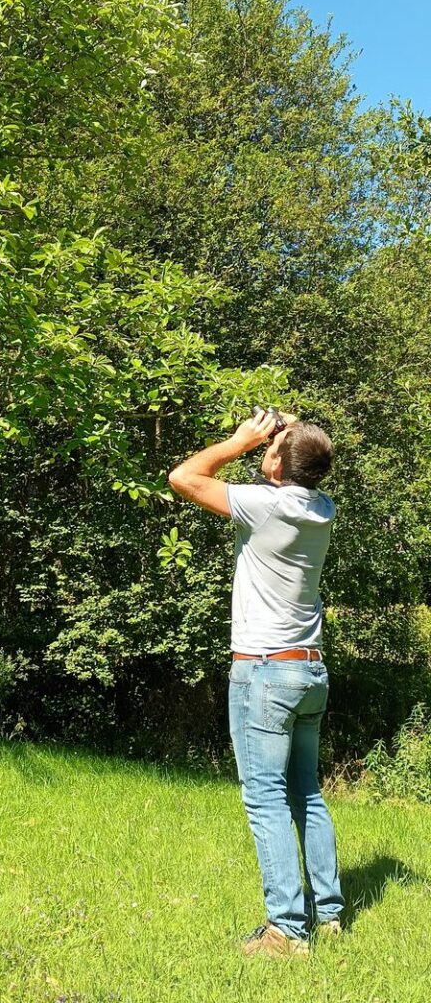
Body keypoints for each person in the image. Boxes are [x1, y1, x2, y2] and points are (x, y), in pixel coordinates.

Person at [168, 409, 345, 958]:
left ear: (274, 466)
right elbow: (306, 455)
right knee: (305, 793)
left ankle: (287, 930)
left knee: (264, 797)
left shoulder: (266, 505)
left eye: (273, 447)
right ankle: (329, 912)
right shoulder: (321, 506)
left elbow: (184, 477)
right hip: (309, 669)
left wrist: (239, 440)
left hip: (266, 672)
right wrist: (289, 430)